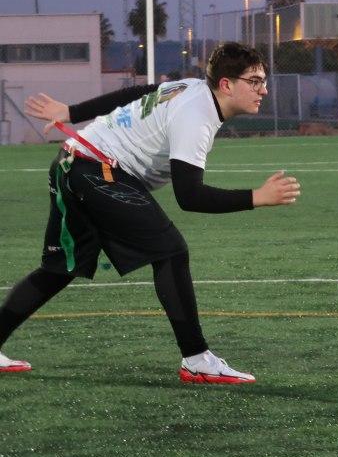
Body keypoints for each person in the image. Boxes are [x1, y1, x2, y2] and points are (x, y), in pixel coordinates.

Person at [0, 42, 300, 383]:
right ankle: (197, 359)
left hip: (75, 162)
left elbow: (137, 92)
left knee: (59, 269)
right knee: (171, 252)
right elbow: (190, 196)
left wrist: (72, 111)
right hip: (96, 170)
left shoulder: (191, 88)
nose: (264, 90)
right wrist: (256, 197)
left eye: (263, 81)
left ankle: (196, 358)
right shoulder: (197, 115)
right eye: (255, 81)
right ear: (226, 85)